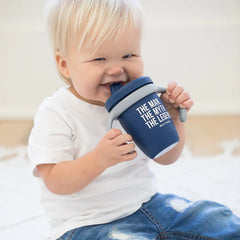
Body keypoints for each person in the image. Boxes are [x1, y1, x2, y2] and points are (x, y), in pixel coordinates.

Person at [28, 0, 240, 239]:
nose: (116, 69)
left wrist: (173, 117)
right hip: (89, 223)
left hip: (149, 204)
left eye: (128, 55)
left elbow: (167, 156)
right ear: (65, 65)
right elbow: (55, 182)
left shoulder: (139, 100)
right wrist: (98, 160)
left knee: (214, 218)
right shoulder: (57, 113)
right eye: (100, 59)